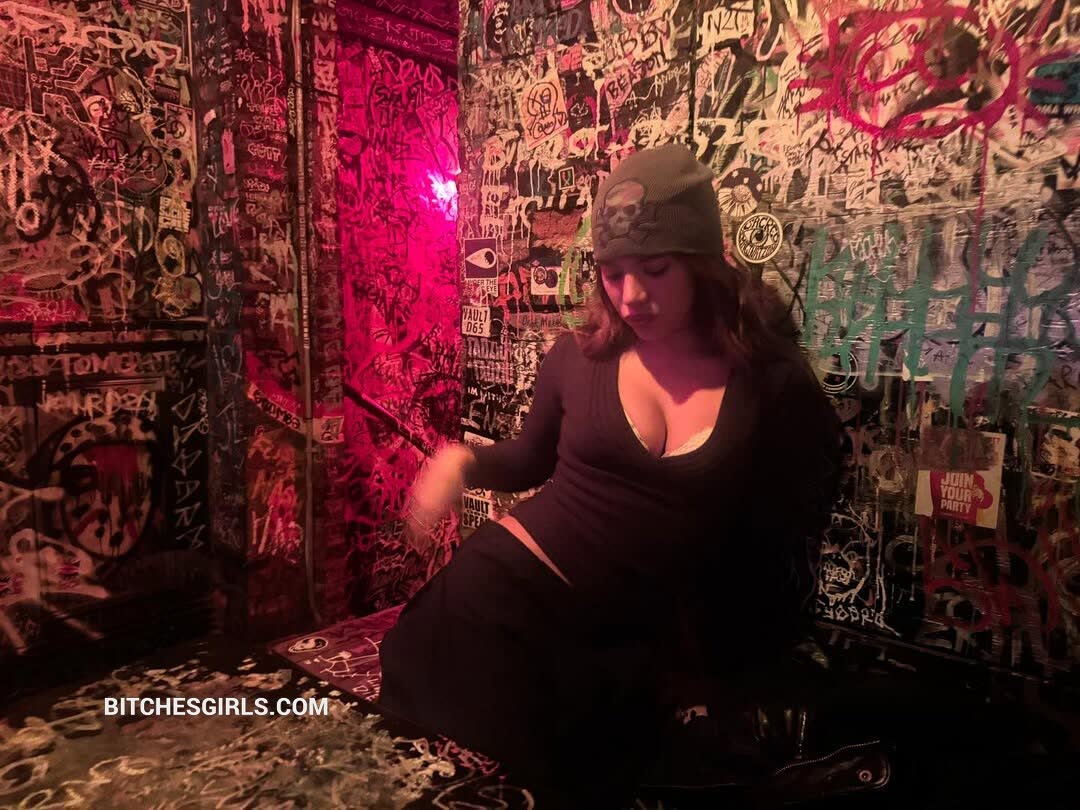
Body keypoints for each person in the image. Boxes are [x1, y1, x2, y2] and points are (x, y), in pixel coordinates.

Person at [377, 143, 843, 806]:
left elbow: (795, 510)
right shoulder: (580, 357)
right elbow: (530, 460)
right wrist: (462, 460)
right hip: (497, 603)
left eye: (655, 270)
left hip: (607, 641)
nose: (631, 296)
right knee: (453, 784)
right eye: (613, 273)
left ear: (702, 263)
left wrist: (727, 650)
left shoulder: (768, 379)